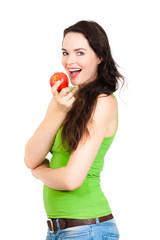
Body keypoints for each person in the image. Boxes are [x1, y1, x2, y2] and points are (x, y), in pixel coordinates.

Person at [24, 20, 125, 240]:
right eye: (65, 52)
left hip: (89, 229)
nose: (70, 61)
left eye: (80, 53)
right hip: (58, 231)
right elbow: (31, 156)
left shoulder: (103, 103)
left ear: (100, 57)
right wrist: (59, 111)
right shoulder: (64, 98)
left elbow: (71, 179)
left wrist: (39, 172)